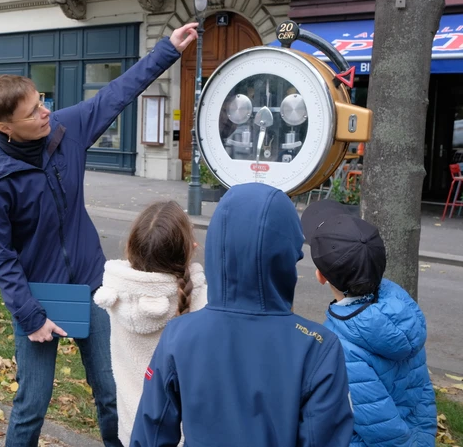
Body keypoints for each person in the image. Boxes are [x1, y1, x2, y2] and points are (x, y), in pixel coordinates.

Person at [0, 22, 198, 446]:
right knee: (31, 404)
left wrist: (168, 50)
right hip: (38, 298)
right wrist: (30, 316)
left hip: (93, 287)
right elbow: (0, 256)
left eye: (42, 102)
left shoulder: (63, 131)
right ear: (5, 127)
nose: (45, 113)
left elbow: (117, 92)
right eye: (33, 112)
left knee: (112, 393)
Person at [131, 183, 354, 447]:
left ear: (216, 248)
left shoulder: (179, 335)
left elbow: (150, 437)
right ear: (286, 258)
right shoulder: (317, 347)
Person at [301, 199, 437, 447]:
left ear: (320, 276)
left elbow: (382, 432)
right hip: (419, 435)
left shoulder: (340, 346)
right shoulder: (401, 310)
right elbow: (422, 392)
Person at [94, 201, 207, 446]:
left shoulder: (114, 294)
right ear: (190, 249)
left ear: (129, 248)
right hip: (184, 435)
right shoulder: (204, 303)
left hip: (133, 430)